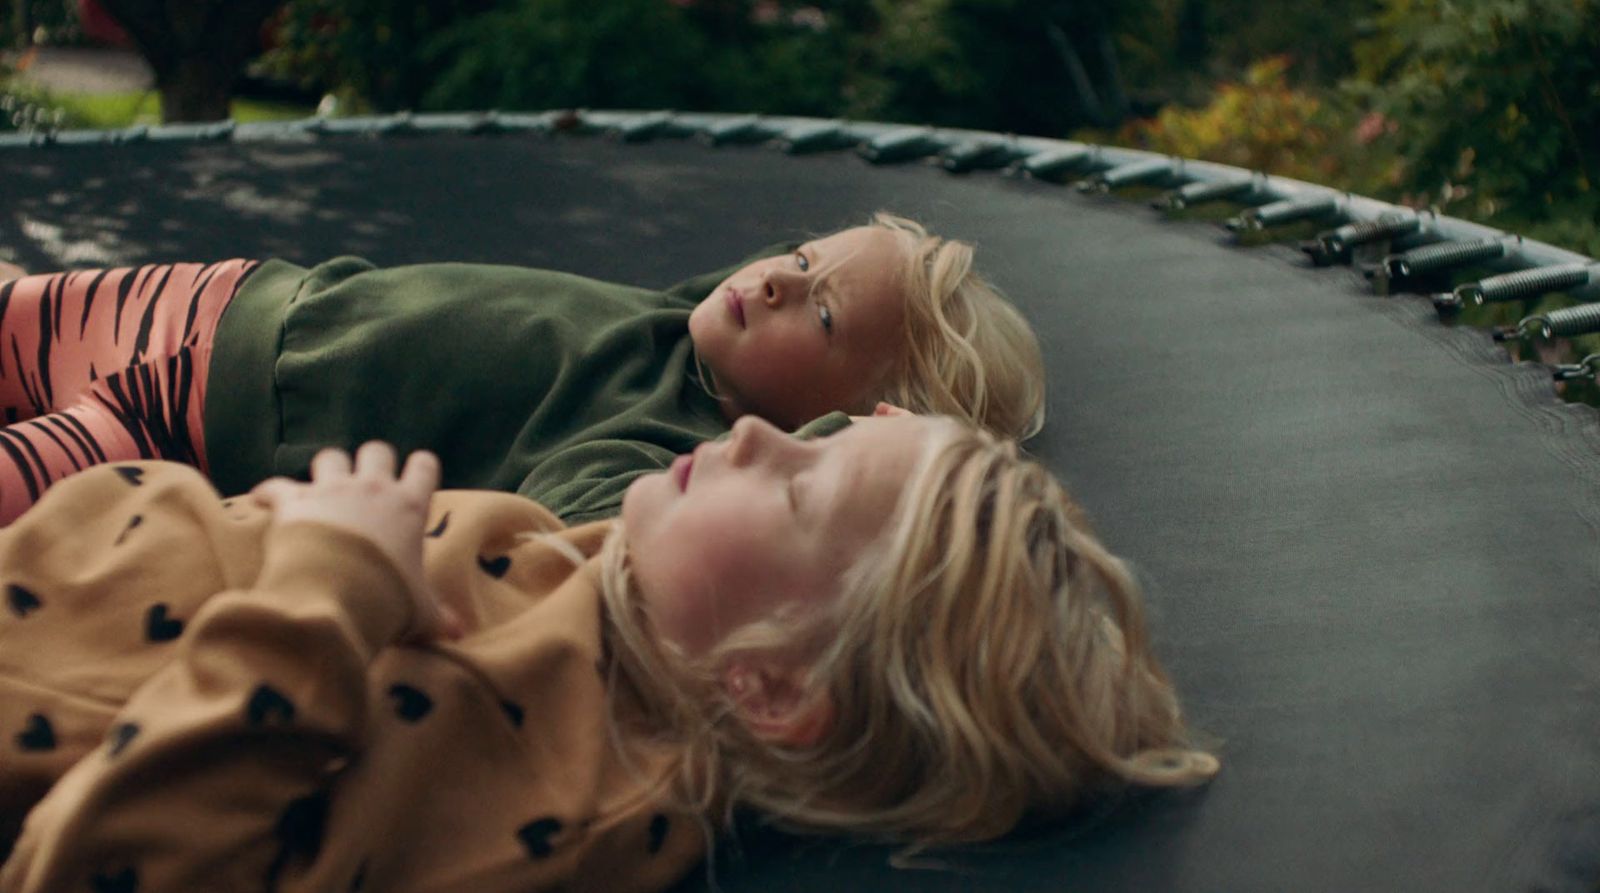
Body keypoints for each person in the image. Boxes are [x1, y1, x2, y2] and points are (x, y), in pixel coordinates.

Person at [0, 414, 1212, 892]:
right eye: (815, 434)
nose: (752, 433)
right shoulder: (617, 588)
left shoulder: (571, 789)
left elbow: (104, 874)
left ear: (773, 683)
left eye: (796, 489)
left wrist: (321, 584)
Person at [0, 213, 1045, 525]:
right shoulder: (689, 321)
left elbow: (596, 530)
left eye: (818, 311)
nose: (774, 279)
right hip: (241, 298)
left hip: (188, 427)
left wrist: (855, 453)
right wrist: (827, 292)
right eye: (804, 256)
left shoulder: (663, 442)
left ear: (849, 415)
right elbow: (764, 286)